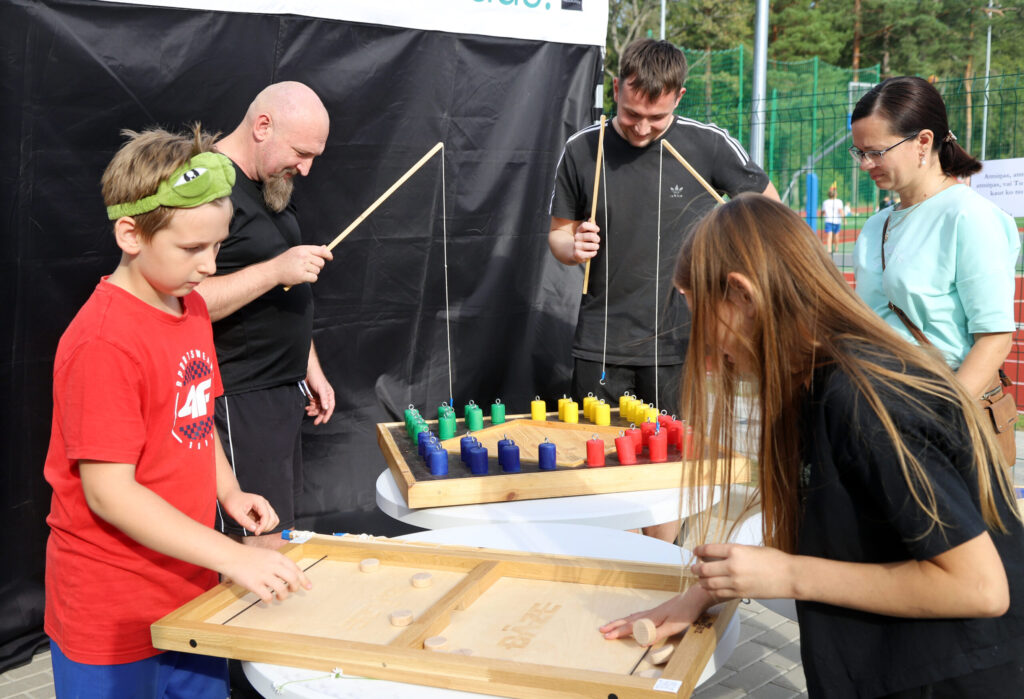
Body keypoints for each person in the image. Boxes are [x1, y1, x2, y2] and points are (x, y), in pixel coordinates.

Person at [600, 194, 1024, 697]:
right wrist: (703, 594)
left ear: (742, 294)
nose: (704, 342)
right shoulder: (812, 383)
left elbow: (978, 588)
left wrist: (788, 575)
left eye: (698, 310)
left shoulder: (868, 400)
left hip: (954, 676)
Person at [44, 126, 311, 698]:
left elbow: (195, 416)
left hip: (189, 595)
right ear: (131, 234)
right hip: (112, 612)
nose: (210, 266)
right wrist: (232, 557)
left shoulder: (188, 309)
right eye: (192, 249)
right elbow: (108, 494)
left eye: (217, 246)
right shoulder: (103, 342)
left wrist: (229, 493)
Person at [547, 39, 778, 541]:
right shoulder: (583, 148)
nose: (643, 127)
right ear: (616, 89)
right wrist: (573, 245)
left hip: (681, 339)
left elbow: (770, 213)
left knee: (671, 465)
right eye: (631, 114)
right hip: (602, 336)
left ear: (679, 96)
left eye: (657, 117)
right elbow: (559, 234)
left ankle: (660, 564)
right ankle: (614, 560)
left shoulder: (709, 144)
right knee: (601, 456)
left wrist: (726, 250)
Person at [196, 82, 335, 549]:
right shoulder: (207, 182)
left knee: (279, 536)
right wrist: (276, 269)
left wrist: (310, 367)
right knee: (257, 546)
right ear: (262, 127)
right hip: (238, 397)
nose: (306, 168)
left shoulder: (271, 183)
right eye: (301, 152)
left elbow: (285, 285)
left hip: (281, 392)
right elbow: (185, 299)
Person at [851, 76, 1020, 404]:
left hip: (935, 409)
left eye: (876, 152)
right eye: (860, 153)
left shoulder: (969, 216)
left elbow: (995, 338)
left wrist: (946, 418)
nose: (865, 165)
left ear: (923, 142)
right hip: (875, 403)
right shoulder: (875, 226)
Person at [820, 182, 843, 253]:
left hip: (828, 220)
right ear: (835, 194)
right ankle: (836, 248)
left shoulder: (825, 202)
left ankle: (829, 249)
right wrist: (844, 219)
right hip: (837, 220)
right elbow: (840, 211)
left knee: (829, 235)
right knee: (836, 234)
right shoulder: (839, 201)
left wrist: (821, 216)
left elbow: (823, 212)